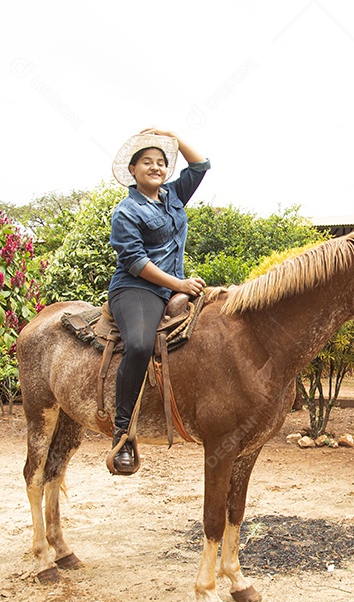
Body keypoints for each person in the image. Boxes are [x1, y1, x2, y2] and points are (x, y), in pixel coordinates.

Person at [107, 128, 209, 474]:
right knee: (138, 345)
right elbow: (135, 262)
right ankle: (122, 434)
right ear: (132, 171)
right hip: (137, 289)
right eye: (147, 162)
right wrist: (178, 283)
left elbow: (201, 165)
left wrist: (173, 137)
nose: (156, 167)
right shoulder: (125, 212)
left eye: (161, 162)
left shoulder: (173, 196)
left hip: (173, 288)